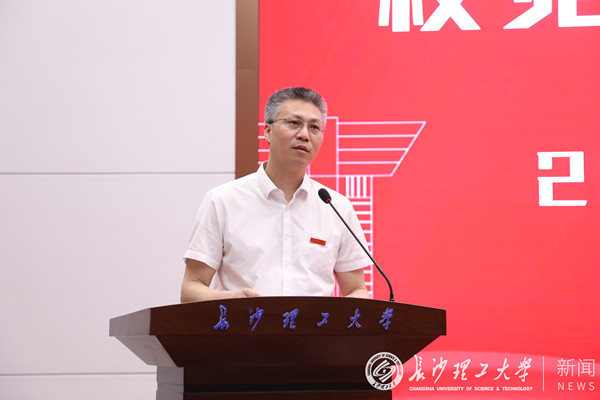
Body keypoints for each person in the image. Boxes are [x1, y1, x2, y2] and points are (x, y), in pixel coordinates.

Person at [180, 87, 371, 302]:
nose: (304, 135)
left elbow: (357, 289)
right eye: (294, 123)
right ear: (268, 131)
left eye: (314, 127)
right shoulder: (223, 200)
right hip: (245, 323)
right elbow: (190, 289)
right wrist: (235, 300)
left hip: (313, 326)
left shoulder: (337, 207)